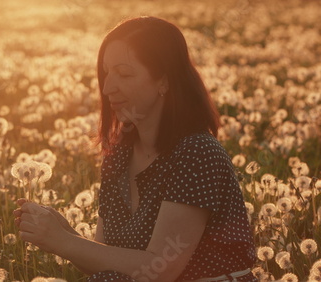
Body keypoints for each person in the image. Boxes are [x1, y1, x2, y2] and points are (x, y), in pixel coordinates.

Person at [14, 16, 257, 281]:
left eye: (124, 73)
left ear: (164, 81)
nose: (107, 88)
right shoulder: (118, 155)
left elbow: (161, 269)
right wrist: (64, 233)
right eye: (106, 73)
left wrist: (63, 242)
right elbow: (109, 264)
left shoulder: (197, 153)